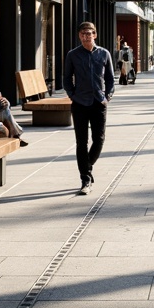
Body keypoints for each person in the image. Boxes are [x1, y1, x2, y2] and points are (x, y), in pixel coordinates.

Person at [63, 21, 115, 195]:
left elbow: (110, 79)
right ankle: (85, 179)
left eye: (89, 33)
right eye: (83, 33)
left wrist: (107, 97)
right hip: (80, 103)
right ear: (79, 36)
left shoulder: (104, 54)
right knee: (81, 142)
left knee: (99, 140)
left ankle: (87, 166)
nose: (86, 36)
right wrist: (72, 95)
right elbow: (66, 77)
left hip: (98, 102)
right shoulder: (73, 55)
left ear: (95, 35)